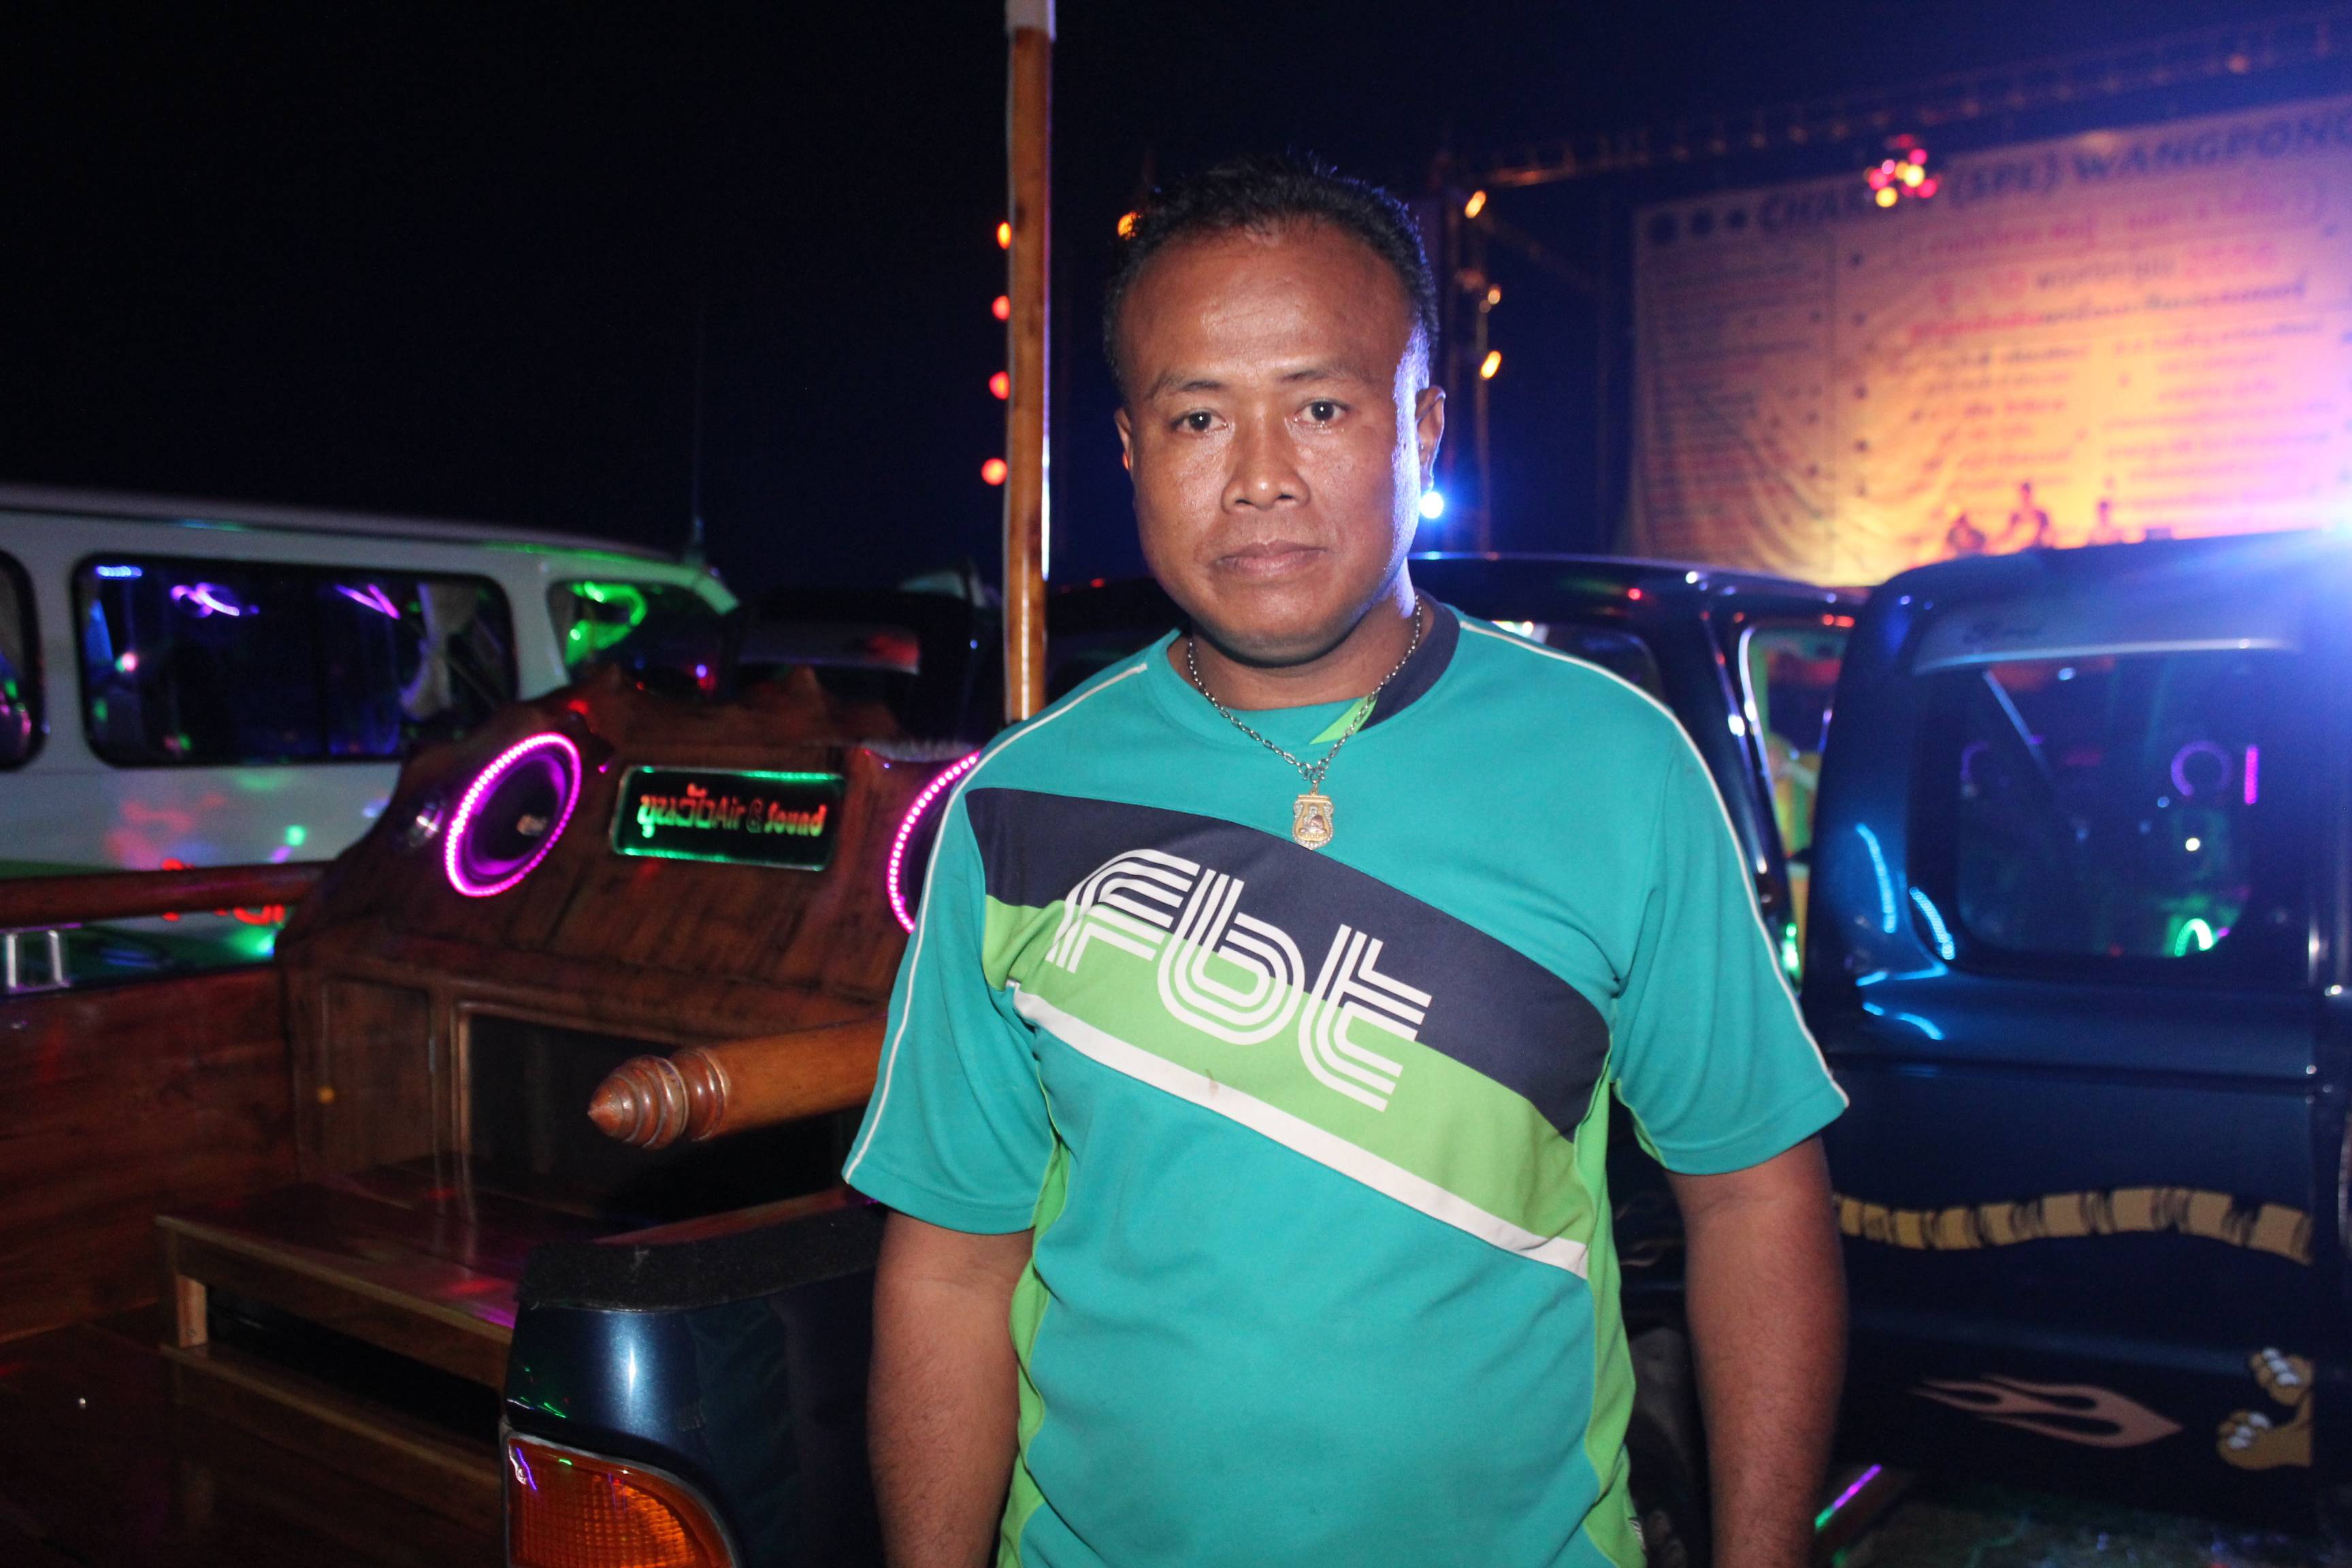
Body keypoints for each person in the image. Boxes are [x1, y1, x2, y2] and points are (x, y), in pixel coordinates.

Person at [845, 155, 1847, 1568]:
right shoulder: (1013, 806)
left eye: (1320, 407)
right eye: (1199, 417)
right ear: (1129, 449)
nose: (1260, 477)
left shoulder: (1615, 769)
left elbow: (1752, 1195)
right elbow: (951, 1266)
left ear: (1423, 427)